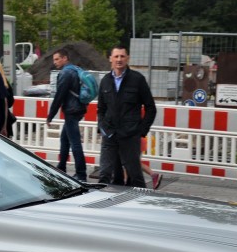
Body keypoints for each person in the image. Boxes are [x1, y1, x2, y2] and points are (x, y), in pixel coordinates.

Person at [96, 46, 157, 188]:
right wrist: (103, 128)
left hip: (130, 136)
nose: (119, 60)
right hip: (110, 135)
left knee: (135, 175)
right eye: (116, 56)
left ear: (127, 58)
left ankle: (140, 204)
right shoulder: (105, 80)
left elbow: (150, 108)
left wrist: (141, 131)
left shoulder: (137, 80)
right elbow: (101, 109)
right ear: (110, 59)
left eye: (122, 56)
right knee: (105, 174)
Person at [45, 47, 89, 181]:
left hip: (71, 111)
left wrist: (50, 115)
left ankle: (81, 174)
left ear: (65, 58)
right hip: (78, 108)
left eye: (57, 59)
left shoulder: (65, 73)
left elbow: (60, 96)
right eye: (54, 60)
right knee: (65, 139)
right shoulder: (75, 69)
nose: (55, 62)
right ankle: (62, 167)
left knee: (75, 142)